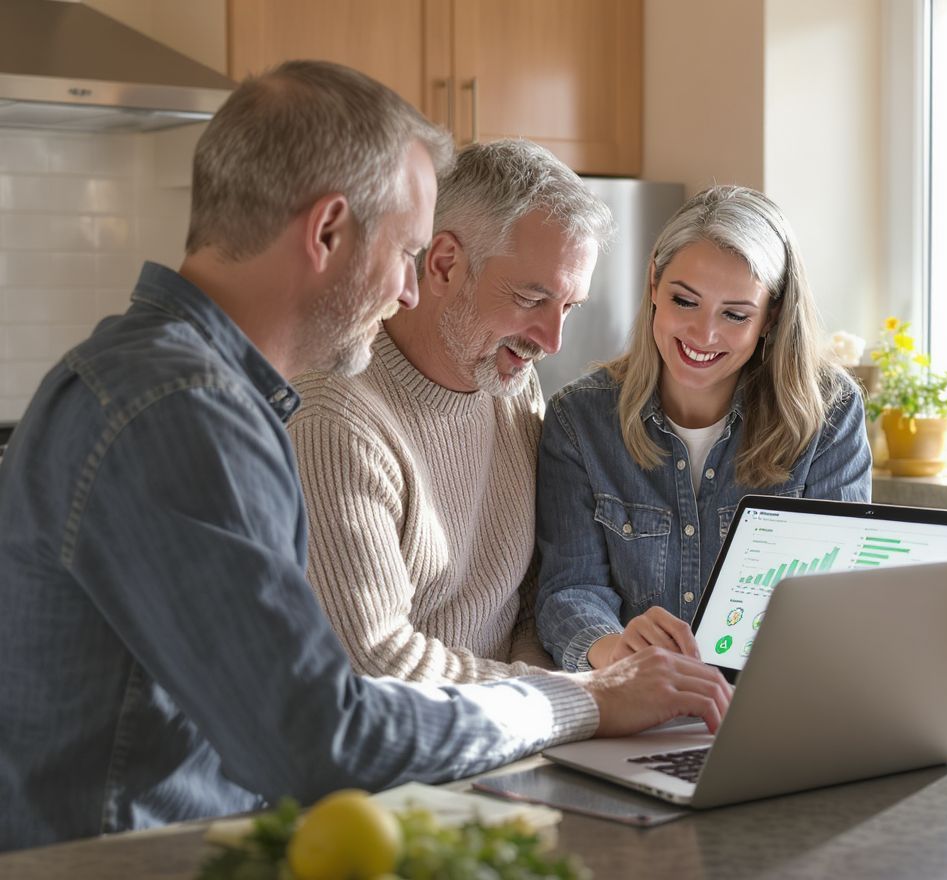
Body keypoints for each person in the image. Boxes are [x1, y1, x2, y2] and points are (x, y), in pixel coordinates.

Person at [0, 61, 730, 852]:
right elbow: (320, 733)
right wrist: (582, 700)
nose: (409, 292)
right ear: (326, 234)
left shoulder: (193, 391)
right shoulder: (177, 413)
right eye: (406, 251)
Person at [288, 140, 612, 683]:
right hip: (397, 760)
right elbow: (375, 665)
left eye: (569, 307)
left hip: (509, 734)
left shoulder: (511, 386)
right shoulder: (333, 418)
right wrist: (580, 700)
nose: (552, 341)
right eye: (533, 299)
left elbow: (532, 605)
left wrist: (556, 718)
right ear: (443, 264)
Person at [534, 186, 872, 672]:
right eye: (684, 301)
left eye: (735, 314)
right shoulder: (579, 421)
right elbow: (570, 588)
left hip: (773, 694)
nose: (703, 335)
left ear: (770, 317)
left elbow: (837, 596)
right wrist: (619, 651)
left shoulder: (828, 413)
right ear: (654, 283)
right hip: (636, 701)